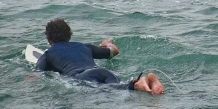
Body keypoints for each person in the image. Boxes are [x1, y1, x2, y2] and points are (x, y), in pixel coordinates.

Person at [35, 18, 164, 95]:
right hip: (103, 72)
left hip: (82, 77)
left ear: (49, 39)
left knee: (114, 91)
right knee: (119, 86)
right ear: (69, 34)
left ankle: (137, 84)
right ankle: (146, 82)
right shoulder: (84, 46)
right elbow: (114, 51)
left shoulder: (48, 54)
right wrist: (107, 44)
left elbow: (36, 75)